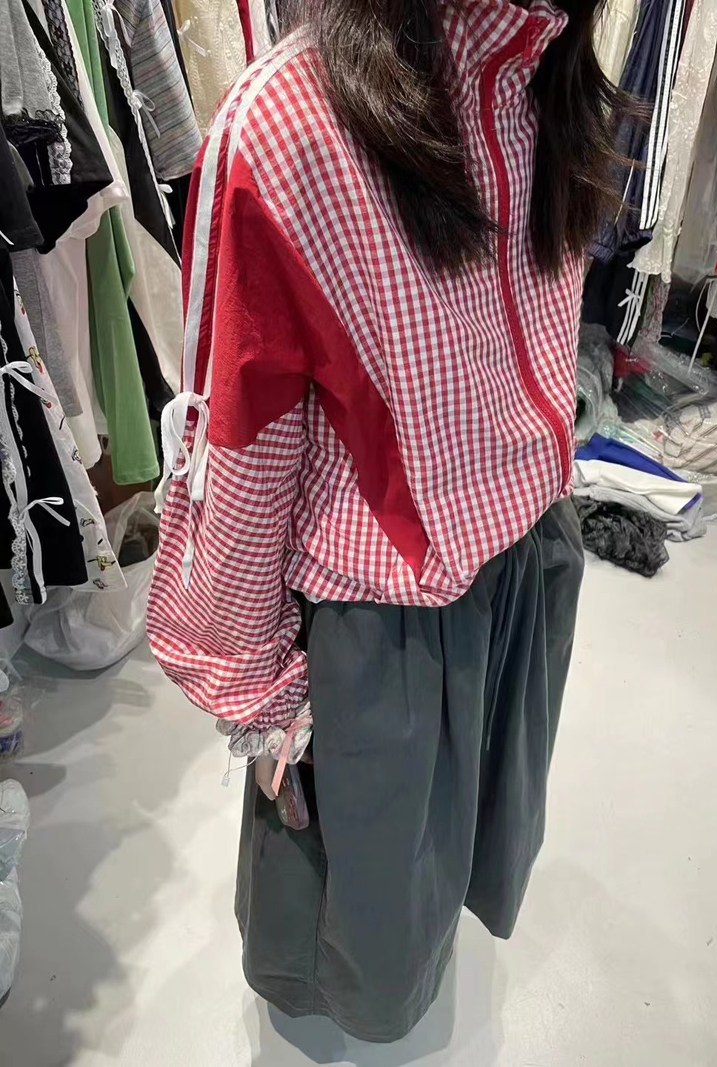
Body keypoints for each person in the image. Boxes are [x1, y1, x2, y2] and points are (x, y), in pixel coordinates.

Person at [147, 0, 626, 1043]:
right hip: (386, 613)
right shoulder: (293, 124)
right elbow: (240, 432)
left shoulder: (547, 66)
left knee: (461, 848)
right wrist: (256, 684)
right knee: (354, 926)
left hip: (528, 555)